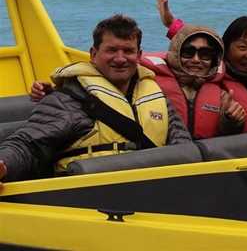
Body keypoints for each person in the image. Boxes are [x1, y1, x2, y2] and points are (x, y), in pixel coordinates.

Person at [0, 14, 191, 187]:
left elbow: (183, 148)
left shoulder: (157, 98)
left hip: (157, 198)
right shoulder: (67, 101)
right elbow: (27, 145)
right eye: (111, 50)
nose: (120, 58)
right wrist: (4, 165)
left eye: (128, 51)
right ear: (93, 54)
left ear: (139, 56)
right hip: (90, 204)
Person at [29, 0, 247, 140]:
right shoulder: (153, 80)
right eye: (188, 53)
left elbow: (185, 149)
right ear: (93, 54)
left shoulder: (224, 90)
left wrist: (231, 121)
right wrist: (53, 91)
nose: (196, 60)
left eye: (206, 55)